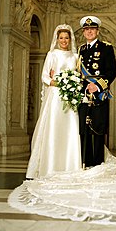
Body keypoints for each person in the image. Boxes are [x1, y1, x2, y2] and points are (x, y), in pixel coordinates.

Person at [26, 24, 82, 179]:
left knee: (71, 127)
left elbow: (79, 76)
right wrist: (58, 83)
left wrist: (72, 84)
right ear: (57, 39)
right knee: (53, 126)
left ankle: (71, 165)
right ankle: (50, 165)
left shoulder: (75, 56)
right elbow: (45, 75)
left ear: (71, 39)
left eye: (66, 38)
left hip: (70, 97)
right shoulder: (52, 54)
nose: (64, 40)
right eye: (61, 38)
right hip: (56, 95)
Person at [77, 16, 116, 168]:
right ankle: (85, 162)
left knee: (98, 129)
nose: (89, 32)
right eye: (86, 30)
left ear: (97, 31)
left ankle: (98, 164)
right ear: (83, 32)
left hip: (99, 95)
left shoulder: (106, 48)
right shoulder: (81, 49)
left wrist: (98, 86)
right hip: (83, 95)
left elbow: (112, 71)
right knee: (84, 129)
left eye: (92, 29)